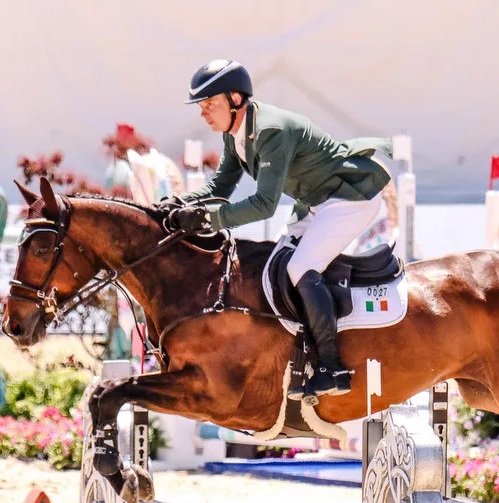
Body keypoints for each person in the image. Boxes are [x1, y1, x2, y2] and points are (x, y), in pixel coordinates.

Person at [160, 59, 393, 401]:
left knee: (301, 267)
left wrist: (209, 221)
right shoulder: (237, 133)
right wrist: (180, 204)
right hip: (316, 203)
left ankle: (332, 367)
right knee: (278, 262)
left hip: (348, 198)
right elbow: (220, 186)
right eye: (201, 106)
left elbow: (264, 204)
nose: (204, 113)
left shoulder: (270, 131)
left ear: (236, 99)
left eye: (210, 104)